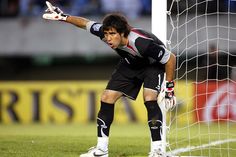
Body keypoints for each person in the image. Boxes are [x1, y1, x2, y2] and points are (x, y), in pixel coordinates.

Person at [42, 1, 176, 157]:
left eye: (112, 34)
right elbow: (85, 23)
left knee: (149, 98)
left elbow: (170, 58)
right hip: (130, 63)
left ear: (123, 32)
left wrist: (170, 88)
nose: (108, 38)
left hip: (153, 65)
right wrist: (63, 17)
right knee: (106, 98)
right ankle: (101, 150)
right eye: (106, 34)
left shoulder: (141, 43)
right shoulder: (106, 33)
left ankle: (157, 150)